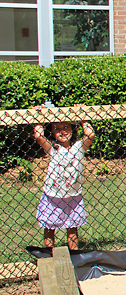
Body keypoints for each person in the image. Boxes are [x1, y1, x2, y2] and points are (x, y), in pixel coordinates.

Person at [33, 103, 95, 251]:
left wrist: (82, 115)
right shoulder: (53, 148)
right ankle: (50, 253)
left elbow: (90, 134)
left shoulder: (79, 147)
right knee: (49, 226)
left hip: (73, 195)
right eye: (57, 129)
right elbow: (38, 136)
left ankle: (74, 253)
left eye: (66, 127)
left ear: (73, 129)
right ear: (52, 132)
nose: (63, 131)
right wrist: (39, 117)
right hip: (53, 195)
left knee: (72, 227)